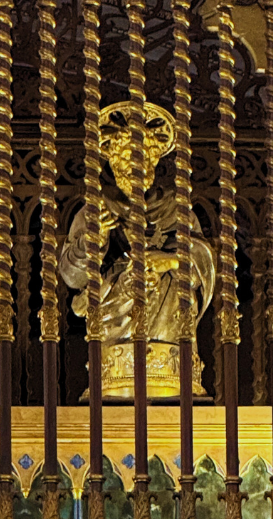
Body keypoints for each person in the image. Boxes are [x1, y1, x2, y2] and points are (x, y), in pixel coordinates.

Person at [58, 102, 215, 395]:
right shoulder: (96, 210)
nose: (135, 167)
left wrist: (169, 261)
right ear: (114, 162)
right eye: (127, 159)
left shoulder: (177, 210)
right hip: (116, 318)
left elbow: (203, 259)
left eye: (143, 159)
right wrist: (96, 240)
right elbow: (71, 276)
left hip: (166, 319)